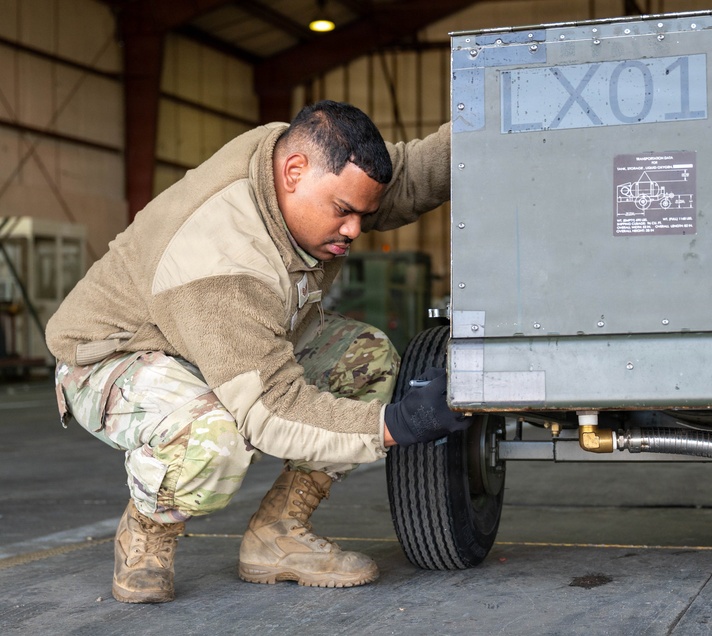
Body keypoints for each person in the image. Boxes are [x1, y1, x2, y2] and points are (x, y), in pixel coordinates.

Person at [45, 100, 470, 604]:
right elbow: (270, 410)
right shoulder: (221, 260)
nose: (355, 230)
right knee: (213, 436)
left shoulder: (289, 156)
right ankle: (147, 530)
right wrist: (398, 424)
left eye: (363, 214)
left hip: (215, 337)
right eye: (343, 211)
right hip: (115, 356)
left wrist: (488, 128)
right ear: (294, 173)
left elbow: (409, 177)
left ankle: (278, 535)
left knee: (366, 359)